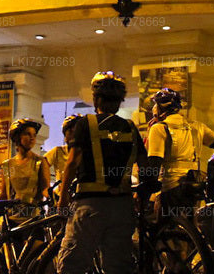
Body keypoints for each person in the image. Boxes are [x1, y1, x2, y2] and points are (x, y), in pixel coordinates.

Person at [55, 72, 151, 274]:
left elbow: (72, 162)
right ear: (119, 102)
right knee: (118, 266)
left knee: (71, 264)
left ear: (96, 99)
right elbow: (144, 164)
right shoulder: (131, 128)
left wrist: (62, 198)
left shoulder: (86, 124)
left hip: (90, 207)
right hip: (122, 208)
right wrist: (141, 196)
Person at [145, 87, 214, 219]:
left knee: (165, 228)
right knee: (189, 224)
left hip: (170, 186)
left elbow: (154, 163)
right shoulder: (197, 126)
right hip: (194, 184)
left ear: (160, 107)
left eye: (155, 105)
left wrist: (146, 190)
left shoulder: (159, 128)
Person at [0, 118, 49, 217]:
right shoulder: (7, 165)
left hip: (33, 219)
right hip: (11, 218)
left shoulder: (40, 162)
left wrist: (56, 197)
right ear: (17, 137)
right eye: (27, 134)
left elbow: (45, 188)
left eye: (34, 135)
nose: (32, 138)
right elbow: (3, 193)